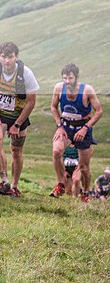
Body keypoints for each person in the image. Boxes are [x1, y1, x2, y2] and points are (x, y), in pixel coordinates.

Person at [0, 42, 40, 198]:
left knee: (16, 151)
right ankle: (4, 180)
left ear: (16, 57)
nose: (7, 61)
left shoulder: (26, 74)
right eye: (4, 57)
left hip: (18, 116)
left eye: (10, 57)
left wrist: (17, 124)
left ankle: (14, 186)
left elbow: (31, 102)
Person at [49, 63, 103, 201]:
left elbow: (99, 111)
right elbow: (54, 107)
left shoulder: (87, 90)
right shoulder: (59, 88)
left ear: (77, 77)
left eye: (70, 78)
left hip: (82, 128)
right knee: (56, 151)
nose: (67, 81)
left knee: (84, 167)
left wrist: (86, 128)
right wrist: (59, 125)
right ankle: (60, 183)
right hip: (66, 126)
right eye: (65, 78)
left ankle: (85, 193)